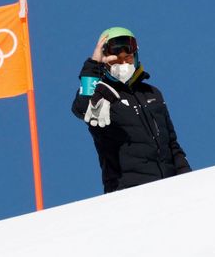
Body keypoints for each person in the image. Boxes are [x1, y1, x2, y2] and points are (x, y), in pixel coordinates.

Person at [71, 27, 191, 192]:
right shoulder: (101, 94)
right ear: (106, 62)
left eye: (128, 58)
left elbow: (172, 145)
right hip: (128, 192)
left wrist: (188, 180)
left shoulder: (152, 93)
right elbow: (82, 107)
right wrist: (94, 64)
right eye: (116, 60)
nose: (123, 64)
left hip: (170, 188)